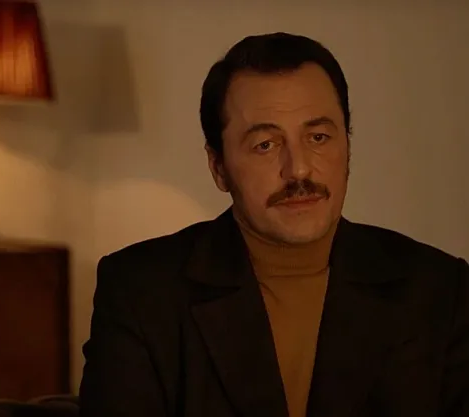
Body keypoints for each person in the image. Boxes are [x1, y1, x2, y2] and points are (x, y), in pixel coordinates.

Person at [79, 32, 469, 417]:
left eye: (319, 137)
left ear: (347, 147)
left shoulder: (440, 291)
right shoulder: (141, 292)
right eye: (265, 145)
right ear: (218, 167)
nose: (298, 169)